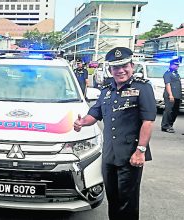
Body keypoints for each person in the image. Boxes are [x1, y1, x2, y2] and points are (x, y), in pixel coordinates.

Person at [73, 47, 156, 220]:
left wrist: (140, 150)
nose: (120, 71)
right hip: (110, 156)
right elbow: (94, 114)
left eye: (124, 66)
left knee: (128, 202)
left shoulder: (142, 88)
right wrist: (82, 122)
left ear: (132, 66)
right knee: (113, 199)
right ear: (110, 70)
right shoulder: (107, 90)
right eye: (116, 68)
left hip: (130, 156)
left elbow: (148, 121)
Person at [161, 58, 182, 133]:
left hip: (177, 95)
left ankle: (170, 125)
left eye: (178, 65)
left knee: (175, 111)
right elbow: (168, 84)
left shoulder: (176, 74)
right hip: (170, 95)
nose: (177, 66)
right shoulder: (168, 73)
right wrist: (170, 95)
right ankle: (165, 126)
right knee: (168, 111)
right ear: (171, 65)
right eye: (175, 65)